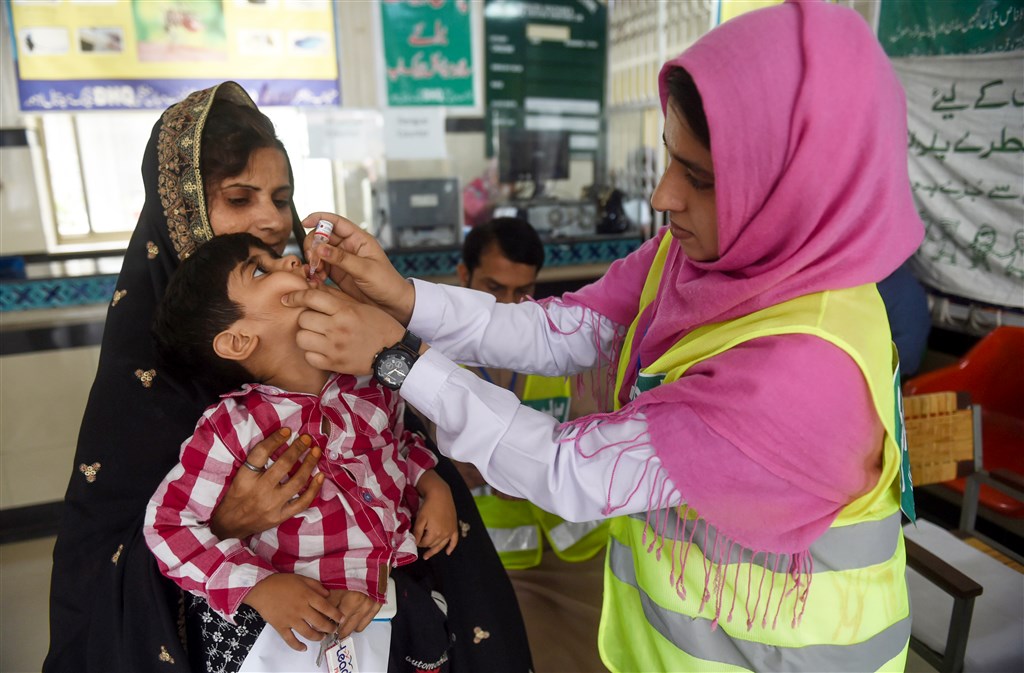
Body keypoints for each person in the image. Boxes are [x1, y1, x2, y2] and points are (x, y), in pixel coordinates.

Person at [280, 1, 923, 670]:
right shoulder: (713, 256)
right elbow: (559, 330)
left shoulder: (803, 375)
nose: (663, 196)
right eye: (672, 158)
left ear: (792, 186)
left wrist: (396, 357)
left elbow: (567, 470)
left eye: (699, 178)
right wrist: (403, 298)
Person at [45, 82, 533, 673]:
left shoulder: (336, 343)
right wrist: (229, 523)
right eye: (240, 198)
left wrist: (429, 487)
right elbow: (114, 558)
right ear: (182, 212)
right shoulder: (146, 379)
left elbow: (396, 453)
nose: (274, 223)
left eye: (282, 198)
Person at [145, 232, 457, 669]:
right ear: (238, 341)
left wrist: (434, 487)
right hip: (290, 635)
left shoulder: (369, 383)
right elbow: (167, 526)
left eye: (277, 256)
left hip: (384, 606)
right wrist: (257, 587)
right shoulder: (232, 427)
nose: (289, 261)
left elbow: (401, 444)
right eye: (259, 269)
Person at [454, 218, 608, 673]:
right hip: (502, 562)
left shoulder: (561, 345)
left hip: (583, 550)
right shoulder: (431, 359)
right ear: (462, 276)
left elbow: (602, 435)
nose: (507, 306)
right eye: (493, 287)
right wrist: (456, 469)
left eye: (521, 292)